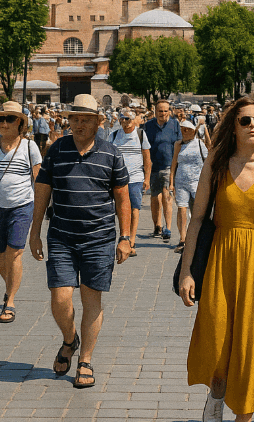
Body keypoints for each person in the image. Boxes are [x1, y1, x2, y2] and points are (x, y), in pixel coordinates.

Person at [179, 96, 254, 422]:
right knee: (216, 335)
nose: (253, 125)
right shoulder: (216, 164)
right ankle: (217, 391)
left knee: (253, 341)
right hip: (221, 260)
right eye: (246, 120)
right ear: (233, 127)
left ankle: (244, 416)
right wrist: (187, 271)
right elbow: (197, 220)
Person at [29, 93, 131, 389]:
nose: (80, 124)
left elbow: (122, 196)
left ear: (98, 123)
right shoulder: (56, 149)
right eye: (75, 119)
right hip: (61, 236)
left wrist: (125, 237)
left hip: (99, 239)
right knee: (60, 298)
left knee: (91, 299)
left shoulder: (111, 153)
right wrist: (35, 233)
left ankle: (85, 359)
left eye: (86, 119)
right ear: (69, 121)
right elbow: (43, 190)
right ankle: (69, 339)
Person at [0, 102, 42, 323]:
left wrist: (42, 212)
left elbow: (39, 180)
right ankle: (11, 286)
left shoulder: (29, 147)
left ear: (19, 122)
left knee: (15, 252)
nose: (4, 123)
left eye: (9, 119)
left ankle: (10, 300)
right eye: (1, 119)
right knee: (2, 258)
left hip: (21, 206)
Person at [111, 109, 152, 257]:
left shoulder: (140, 135)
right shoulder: (114, 135)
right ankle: (123, 235)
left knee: (135, 208)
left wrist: (147, 178)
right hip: (117, 179)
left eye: (128, 119)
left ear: (134, 120)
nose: (125, 122)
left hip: (135, 178)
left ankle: (131, 241)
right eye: (122, 119)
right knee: (118, 209)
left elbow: (147, 158)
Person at [143, 99, 181, 242]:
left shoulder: (175, 124)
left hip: (168, 166)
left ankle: (168, 228)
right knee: (154, 198)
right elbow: (144, 147)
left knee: (166, 196)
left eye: (165, 111)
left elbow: (179, 144)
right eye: (160, 111)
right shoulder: (148, 126)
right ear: (155, 112)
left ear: (169, 112)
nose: (163, 113)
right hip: (153, 167)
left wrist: (176, 167)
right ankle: (157, 226)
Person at [169, 120, 208, 254]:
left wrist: (205, 129)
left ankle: (198, 237)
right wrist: (171, 182)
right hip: (181, 181)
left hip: (197, 181)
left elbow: (208, 155)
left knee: (198, 210)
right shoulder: (178, 144)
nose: (184, 132)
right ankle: (183, 238)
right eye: (182, 129)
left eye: (187, 129)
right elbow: (174, 163)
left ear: (193, 131)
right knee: (182, 208)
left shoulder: (199, 143)